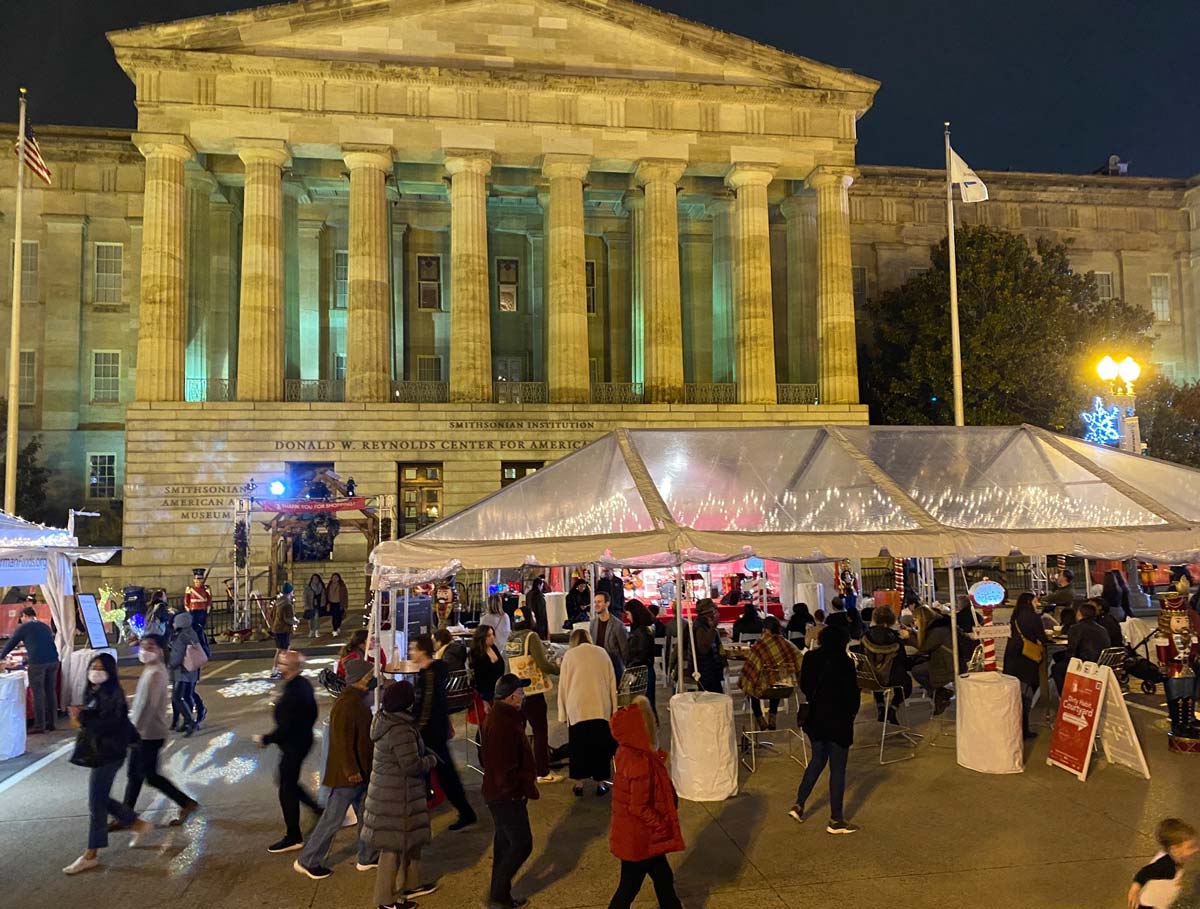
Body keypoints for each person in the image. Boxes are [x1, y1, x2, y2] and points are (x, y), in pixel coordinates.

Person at [63, 652, 152, 875]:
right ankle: (134, 822)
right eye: (94, 666)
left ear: (110, 672)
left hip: (110, 753)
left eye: (101, 668)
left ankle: (91, 854)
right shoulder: (94, 690)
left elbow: (107, 724)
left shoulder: (112, 694)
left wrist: (79, 718)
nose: (96, 671)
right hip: (101, 752)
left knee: (96, 801)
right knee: (99, 799)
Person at [294, 659, 378, 880]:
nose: (372, 679)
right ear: (360, 679)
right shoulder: (346, 705)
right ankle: (308, 860)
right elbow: (341, 742)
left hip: (358, 773)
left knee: (366, 816)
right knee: (332, 820)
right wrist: (351, 771)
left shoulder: (355, 701)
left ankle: (367, 856)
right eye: (369, 676)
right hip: (347, 777)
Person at [364, 680, 439, 908]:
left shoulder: (386, 719)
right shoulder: (400, 729)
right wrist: (431, 759)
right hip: (396, 797)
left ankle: (412, 884)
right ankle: (385, 900)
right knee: (392, 848)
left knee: (412, 841)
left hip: (395, 793)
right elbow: (411, 765)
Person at [607, 696, 684, 909]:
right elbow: (638, 806)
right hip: (641, 837)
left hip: (638, 835)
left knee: (663, 878)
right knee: (629, 887)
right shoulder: (640, 763)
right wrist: (662, 825)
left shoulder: (627, 752)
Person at [787, 625, 860, 835]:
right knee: (837, 769)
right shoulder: (845, 662)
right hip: (839, 720)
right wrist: (852, 713)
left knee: (817, 759)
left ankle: (799, 804)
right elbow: (851, 694)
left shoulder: (810, 658)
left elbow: (805, 685)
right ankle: (836, 819)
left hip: (816, 717)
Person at [121, 634, 197, 824]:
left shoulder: (156, 672)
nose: (145, 650)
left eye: (151, 646)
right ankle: (126, 814)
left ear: (161, 650)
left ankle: (186, 802)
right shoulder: (151, 669)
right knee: (134, 775)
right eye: (143, 646)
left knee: (150, 776)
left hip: (148, 733)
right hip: (143, 731)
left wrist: (134, 732)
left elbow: (149, 706)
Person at [481, 674, 539, 909]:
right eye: (521, 692)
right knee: (522, 844)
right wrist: (515, 789)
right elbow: (502, 765)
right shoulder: (502, 723)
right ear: (511, 696)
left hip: (499, 792)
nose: (523, 696)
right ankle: (497, 892)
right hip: (505, 795)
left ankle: (500, 895)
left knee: (504, 842)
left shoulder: (502, 717)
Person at [410, 633, 477, 830]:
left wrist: (416, 729)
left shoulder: (429, 675)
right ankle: (464, 811)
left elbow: (426, 707)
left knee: (444, 774)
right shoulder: (431, 673)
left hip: (431, 733)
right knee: (444, 773)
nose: (411, 652)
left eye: (414, 648)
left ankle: (465, 812)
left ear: (423, 651)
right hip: (435, 731)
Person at [256, 650, 320, 853]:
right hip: (300, 740)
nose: (278, 666)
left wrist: (266, 739)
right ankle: (316, 807)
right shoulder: (301, 685)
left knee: (286, 787)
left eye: (282, 663)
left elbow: (287, 726)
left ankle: (293, 836)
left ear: (291, 667)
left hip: (295, 744)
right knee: (286, 780)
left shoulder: (295, 691)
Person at [558, 628, 618, 797]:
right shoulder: (602, 653)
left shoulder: (569, 656)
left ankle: (579, 783)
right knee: (601, 746)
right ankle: (601, 783)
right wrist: (614, 708)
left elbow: (563, 686)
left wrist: (562, 713)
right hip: (600, 706)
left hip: (577, 707)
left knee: (578, 747)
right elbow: (612, 682)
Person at [505, 612, 563, 784]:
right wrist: (559, 668)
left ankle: (520, 768)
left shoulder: (511, 637)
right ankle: (543, 772)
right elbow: (543, 663)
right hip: (532, 690)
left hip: (515, 691)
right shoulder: (531, 636)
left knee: (519, 731)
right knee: (539, 731)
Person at [0, 605, 59, 733]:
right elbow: (43, 645)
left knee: (37, 693)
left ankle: (39, 725)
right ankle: (52, 723)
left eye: (21, 618)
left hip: (38, 663)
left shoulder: (24, 627)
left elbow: (11, 643)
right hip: (54, 661)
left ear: (24, 616)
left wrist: (1, 656)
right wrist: (27, 660)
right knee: (50, 692)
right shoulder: (45, 626)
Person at [739, 616, 803, 730]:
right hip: (784, 689)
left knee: (750, 685)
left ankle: (759, 717)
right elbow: (799, 659)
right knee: (776, 680)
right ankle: (772, 714)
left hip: (762, 691)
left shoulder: (760, 645)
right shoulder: (786, 643)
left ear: (765, 630)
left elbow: (751, 668)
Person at [1002, 592, 1051, 740]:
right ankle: (1023, 729)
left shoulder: (1015, 616)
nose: (1037, 603)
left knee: (1015, 694)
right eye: (1036, 601)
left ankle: (1013, 726)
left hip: (1012, 656)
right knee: (1026, 694)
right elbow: (1041, 637)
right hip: (1026, 658)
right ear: (1030, 601)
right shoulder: (1034, 617)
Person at [1128, 818, 1199, 909]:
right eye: (1191, 847)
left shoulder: (1173, 857)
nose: (1197, 849)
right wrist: (1135, 889)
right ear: (1175, 850)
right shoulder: (1164, 865)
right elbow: (1145, 872)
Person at [858, 606, 911, 725]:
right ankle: (893, 708)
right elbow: (902, 661)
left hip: (868, 678)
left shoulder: (865, 636)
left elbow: (861, 658)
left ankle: (881, 706)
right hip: (891, 678)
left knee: (876, 673)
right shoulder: (896, 639)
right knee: (906, 683)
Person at [909, 605, 965, 715]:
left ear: (922, 619)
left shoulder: (938, 631)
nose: (914, 623)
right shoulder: (939, 626)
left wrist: (909, 636)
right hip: (946, 661)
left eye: (915, 620)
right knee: (919, 667)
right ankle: (939, 693)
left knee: (917, 671)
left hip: (949, 666)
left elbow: (924, 647)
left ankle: (939, 693)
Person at [1052, 601, 1113, 695]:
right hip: (1102, 663)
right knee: (1058, 656)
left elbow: (1071, 651)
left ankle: (1066, 695)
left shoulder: (1076, 628)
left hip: (1087, 664)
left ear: (1080, 614)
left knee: (1056, 668)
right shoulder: (1102, 629)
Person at [168, 610, 204, 735]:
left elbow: (177, 656)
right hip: (191, 670)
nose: (173, 624)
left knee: (177, 697)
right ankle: (188, 722)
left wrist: (169, 665)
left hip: (182, 671)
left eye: (174, 622)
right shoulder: (191, 632)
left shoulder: (182, 636)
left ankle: (190, 722)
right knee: (187, 696)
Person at [626, 600, 659, 714]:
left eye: (628, 614)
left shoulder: (641, 632)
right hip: (644, 671)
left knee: (644, 705)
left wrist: (629, 667)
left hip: (641, 672)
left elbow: (640, 654)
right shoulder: (643, 629)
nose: (627, 616)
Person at [590, 591, 629, 682]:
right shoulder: (593, 623)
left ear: (607, 603)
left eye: (599, 602)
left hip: (614, 667)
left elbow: (624, 650)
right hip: (597, 666)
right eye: (595, 602)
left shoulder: (617, 625)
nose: (596, 604)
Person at [691, 599, 726, 693]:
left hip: (711, 668)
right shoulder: (700, 625)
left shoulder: (705, 623)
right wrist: (713, 627)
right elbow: (703, 648)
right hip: (705, 670)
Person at [469, 624, 506, 705]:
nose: (492, 637)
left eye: (493, 634)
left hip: (499, 687)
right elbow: (479, 678)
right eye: (489, 635)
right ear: (482, 637)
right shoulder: (477, 653)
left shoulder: (493, 647)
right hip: (487, 692)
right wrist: (484, 700)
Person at [270, 582, 296, 679]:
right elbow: (288, 618)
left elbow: (271, 615)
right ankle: (282, 670)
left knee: (279, 651)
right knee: (284, 651)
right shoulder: (287, 604)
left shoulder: (278, 602)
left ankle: (275, 670)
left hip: (276, 629)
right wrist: (295, 622)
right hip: (284, 630)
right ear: (290, 592)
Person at [184, 569, 212, 644]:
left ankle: (200, 640)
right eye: (197, 580)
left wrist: (208, 607)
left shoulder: (206, 588)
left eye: (200, 579)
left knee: (200, 625)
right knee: (193, 625)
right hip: (193, 609)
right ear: (194, 580)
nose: (198, 582)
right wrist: (187, 607)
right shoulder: (190, 589)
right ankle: (194, 639)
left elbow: (209, 598)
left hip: (202, 609)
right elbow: (187, 599)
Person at [326, 572, 349, 636]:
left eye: (336, 577)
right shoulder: (329, 585)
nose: (334, 579)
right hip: (332, 603)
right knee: (334, 617)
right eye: (333, 577)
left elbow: (345, 595)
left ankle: (338, 626)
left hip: (339, 603)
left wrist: (345, 604)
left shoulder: (342, 586)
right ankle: (334, 629)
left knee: (339, 617)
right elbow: (327, 594)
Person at [304, 572, 326, 638]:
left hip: (318, 605)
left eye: (316, 578)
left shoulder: (321, 587)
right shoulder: (308, 587)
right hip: (310, 605)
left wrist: (323, 603)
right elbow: (305, 596)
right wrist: (306, 605)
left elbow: (324, 596)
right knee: (310, 619)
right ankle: (311, 630)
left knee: (317, 618)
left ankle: (317, 631)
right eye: (314, 579)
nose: (315, 580)